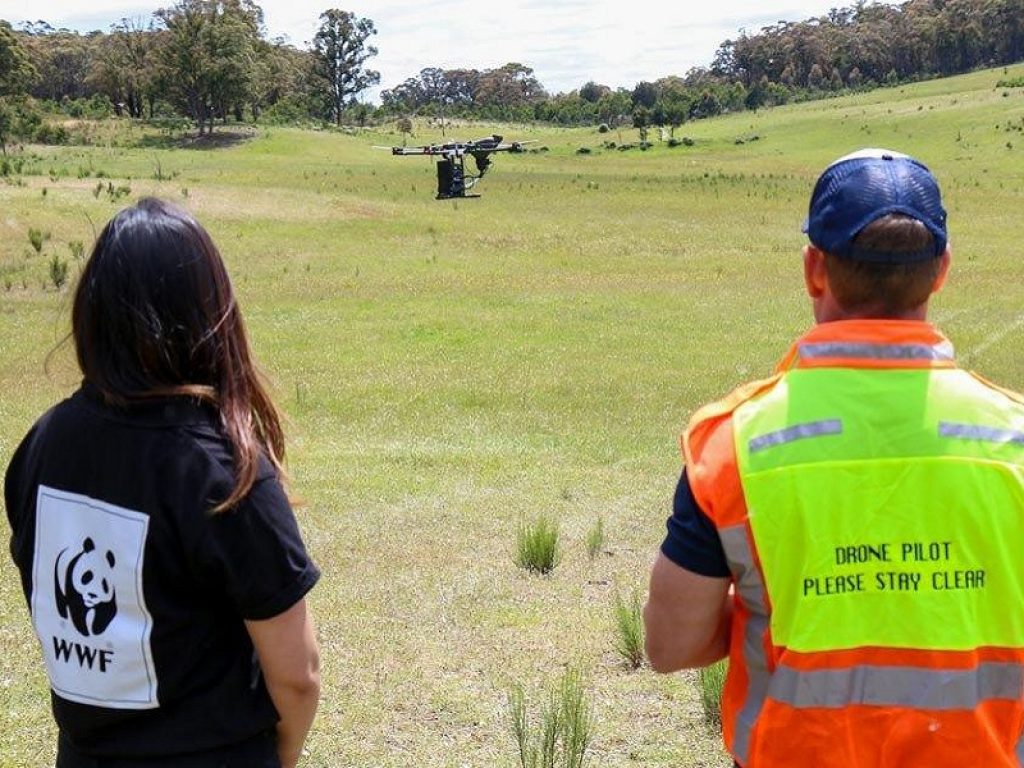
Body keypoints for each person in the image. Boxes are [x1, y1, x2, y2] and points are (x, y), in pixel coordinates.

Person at [643, 149, 1024, 767]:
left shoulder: (733, 443)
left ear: (813, 269)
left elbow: (670, 644)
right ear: (942, 270)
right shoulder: (1015, 439)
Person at [5, 198, 321, 768]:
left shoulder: (42, 444)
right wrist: (282, 756)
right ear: (211, 313)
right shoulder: (223, 472)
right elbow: (297, 676)